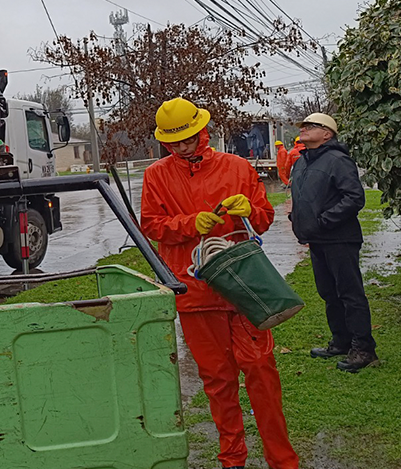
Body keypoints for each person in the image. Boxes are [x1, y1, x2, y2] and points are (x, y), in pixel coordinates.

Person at [141, 97, 298, 469]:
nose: (182, 147)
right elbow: (150, 225)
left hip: (246, 289)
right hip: (195, 291)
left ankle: (282, 460)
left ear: (202, 131)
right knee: (217, 379)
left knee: (261, 372)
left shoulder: (238, 167)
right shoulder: (156, 176)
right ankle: (232, 459)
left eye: (188, 139)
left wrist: (253, 210)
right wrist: (189, 224)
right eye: (174, 142)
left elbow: (262, 219)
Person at [289, 113, 377, 372]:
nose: (304, 129)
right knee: (328, 293)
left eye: (311, 126)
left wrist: (324, 221)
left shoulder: (338, 160)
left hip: (340, 238)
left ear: (327, 134)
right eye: (303, 126)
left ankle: (364, 349)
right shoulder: (303, 161)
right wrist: (298, 219)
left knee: (350, 294)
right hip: (317, 239)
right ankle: (341, 341)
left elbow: (353, 198)